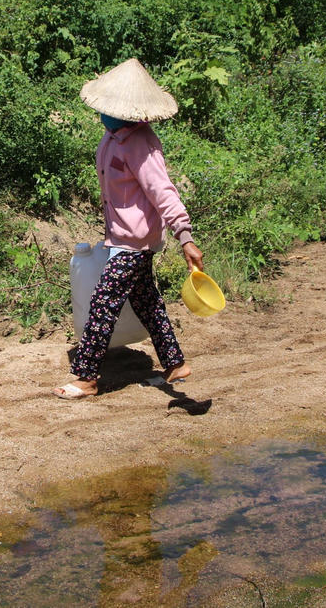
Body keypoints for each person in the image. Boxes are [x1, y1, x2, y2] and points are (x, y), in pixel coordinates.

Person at [54, 58, 204, 399]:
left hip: (134, 241)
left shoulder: (140, 144)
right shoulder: (113, 136)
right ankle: (175, 363)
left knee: (103, 302)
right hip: (122, 236)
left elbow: (163, 191)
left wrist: (185, 237)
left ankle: (87, 377)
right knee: (146, 300)